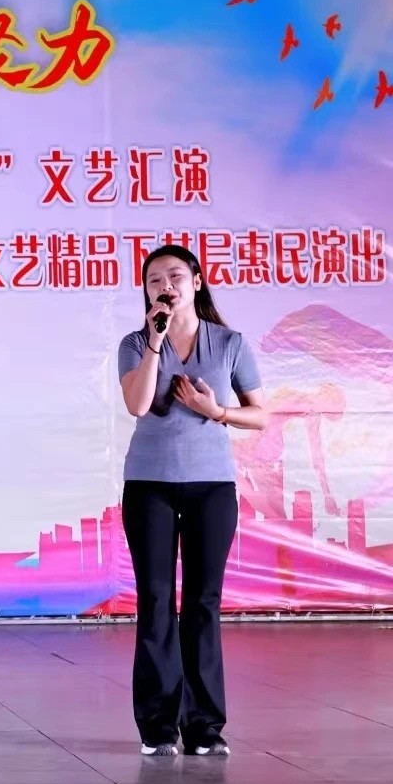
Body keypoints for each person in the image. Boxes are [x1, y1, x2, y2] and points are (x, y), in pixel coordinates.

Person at [117, 244, 266, 757]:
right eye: (155, 279)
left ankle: (204, 727)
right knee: (156, 600)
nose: (166, 286)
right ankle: (158, 728)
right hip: (149, 485)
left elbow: (260, 415)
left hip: (211, 487)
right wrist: (155, 342)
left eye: (176, 275)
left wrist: (215, 410)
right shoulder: (135, 343)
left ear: (197, 282)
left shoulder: (229, 343)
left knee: (203, 602)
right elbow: (138, 404)